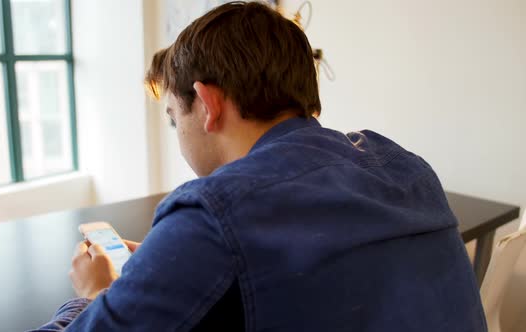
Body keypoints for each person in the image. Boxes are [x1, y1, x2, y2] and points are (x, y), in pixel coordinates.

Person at [29, 2, 486, 331]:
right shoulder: (406, 168)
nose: (177, 134)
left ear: (206, 105)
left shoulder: (212, 211)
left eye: (173, 118)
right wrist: (171, 256)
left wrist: (92, 296)